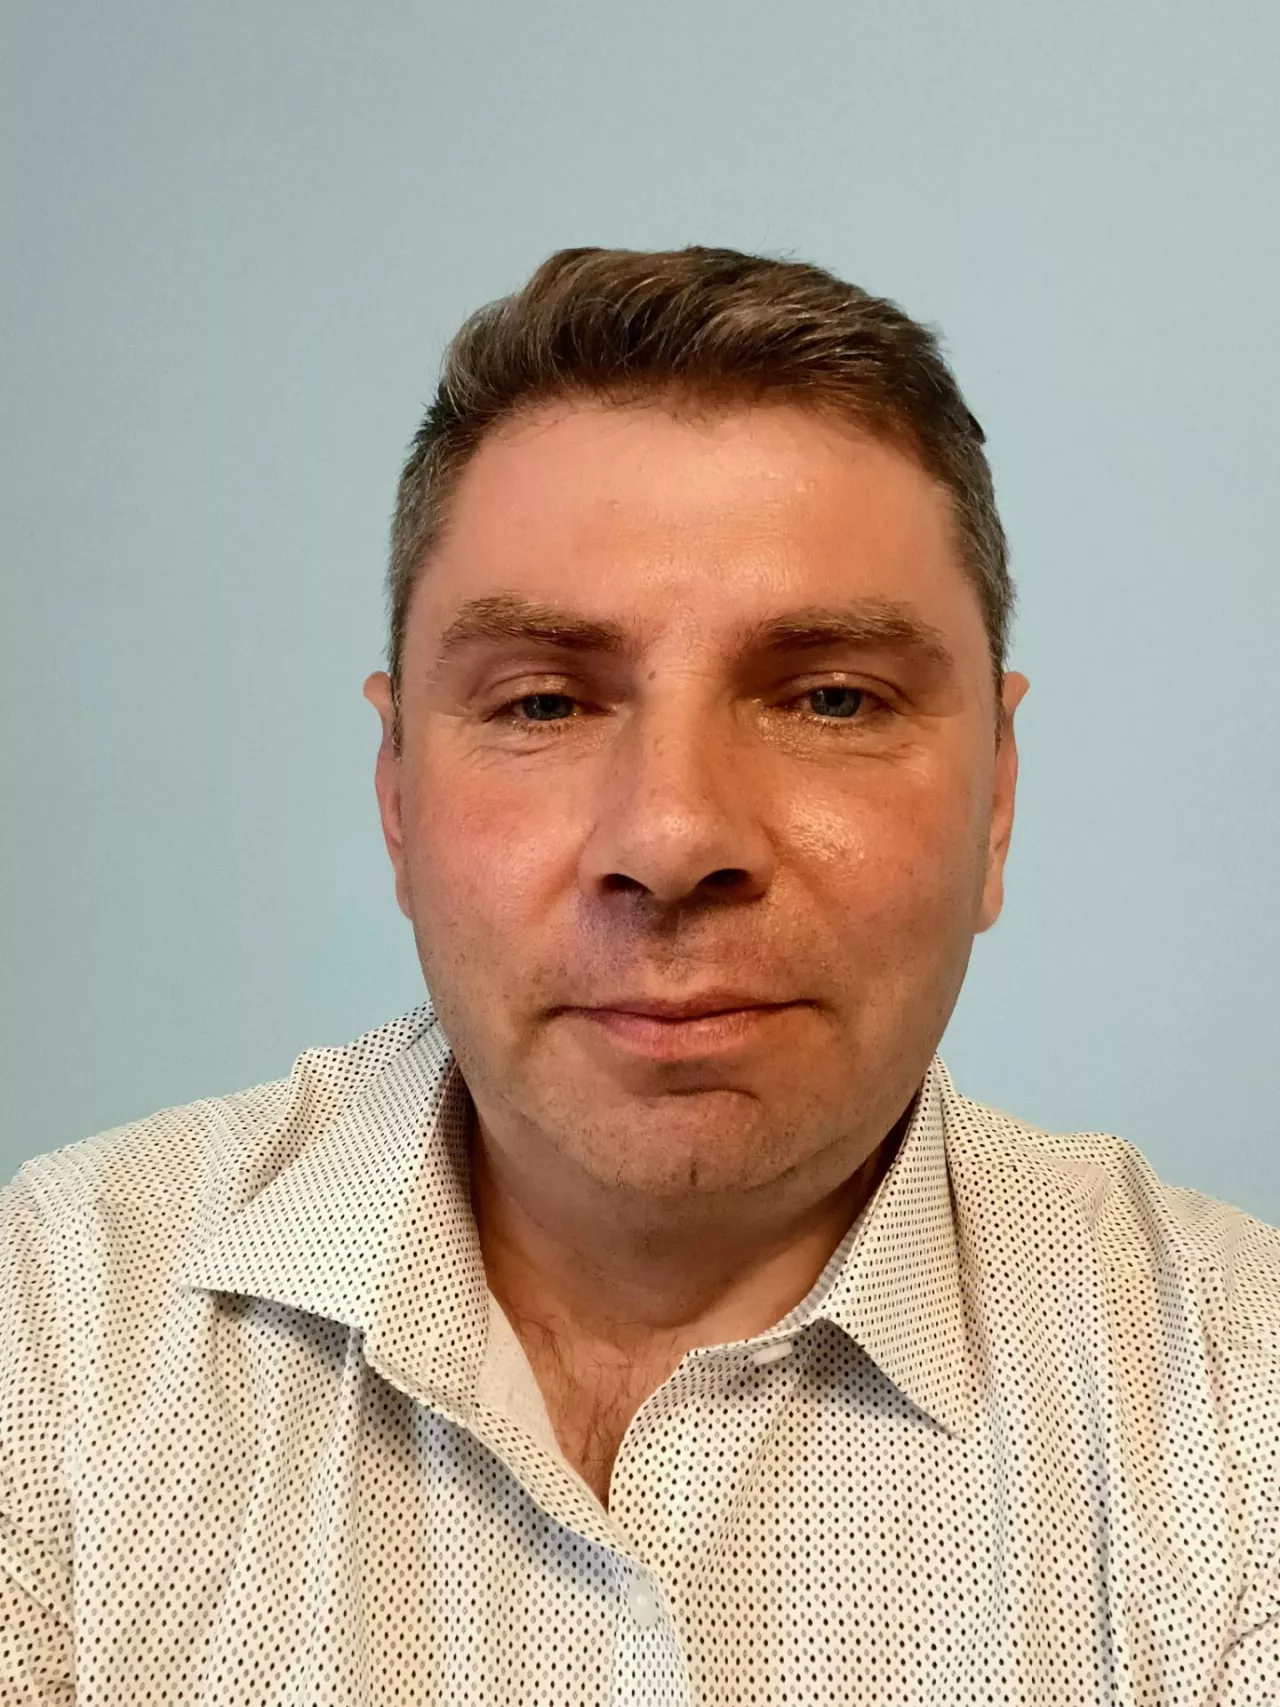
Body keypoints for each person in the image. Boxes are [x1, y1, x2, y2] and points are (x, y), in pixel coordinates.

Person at [1, 247, 1276, 1707]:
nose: (671, 840)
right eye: (544, 701)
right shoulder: (50, 1336)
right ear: (398, 802)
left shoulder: (1244, 1404)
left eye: (831, 698)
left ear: (997, 803)